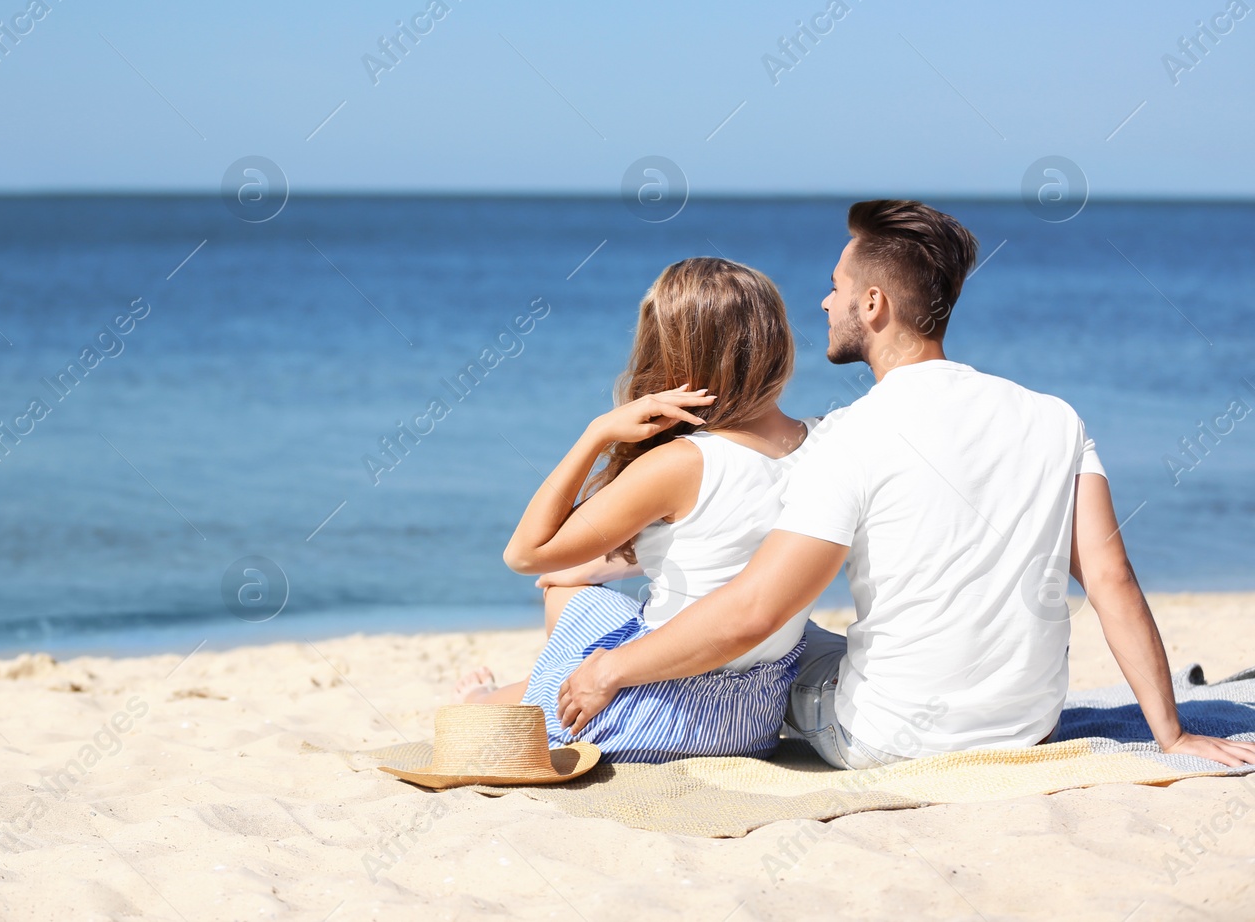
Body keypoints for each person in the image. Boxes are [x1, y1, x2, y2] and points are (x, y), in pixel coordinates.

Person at [556, 200, 1255, 769]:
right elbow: (1111, 580)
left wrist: (608, 672)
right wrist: (1171, 735)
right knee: (809, 632)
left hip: (884, 738)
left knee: (778, 646)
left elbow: (753, 614)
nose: (823, 302)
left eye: (834, 287)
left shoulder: (855, 434)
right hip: (1025, 724)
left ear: (873, 303)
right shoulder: (1054, 417)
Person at [461, 256, 818, 762]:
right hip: (749, 722)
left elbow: (524, 555)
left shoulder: (682, 463)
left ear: (672, 357)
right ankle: (531, 684)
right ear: (777, 344)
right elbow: (733, 537)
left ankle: (487, 701)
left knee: (567, 593)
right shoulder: (825, 442)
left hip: (656, 716)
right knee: (572, 585)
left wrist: (598, 433)